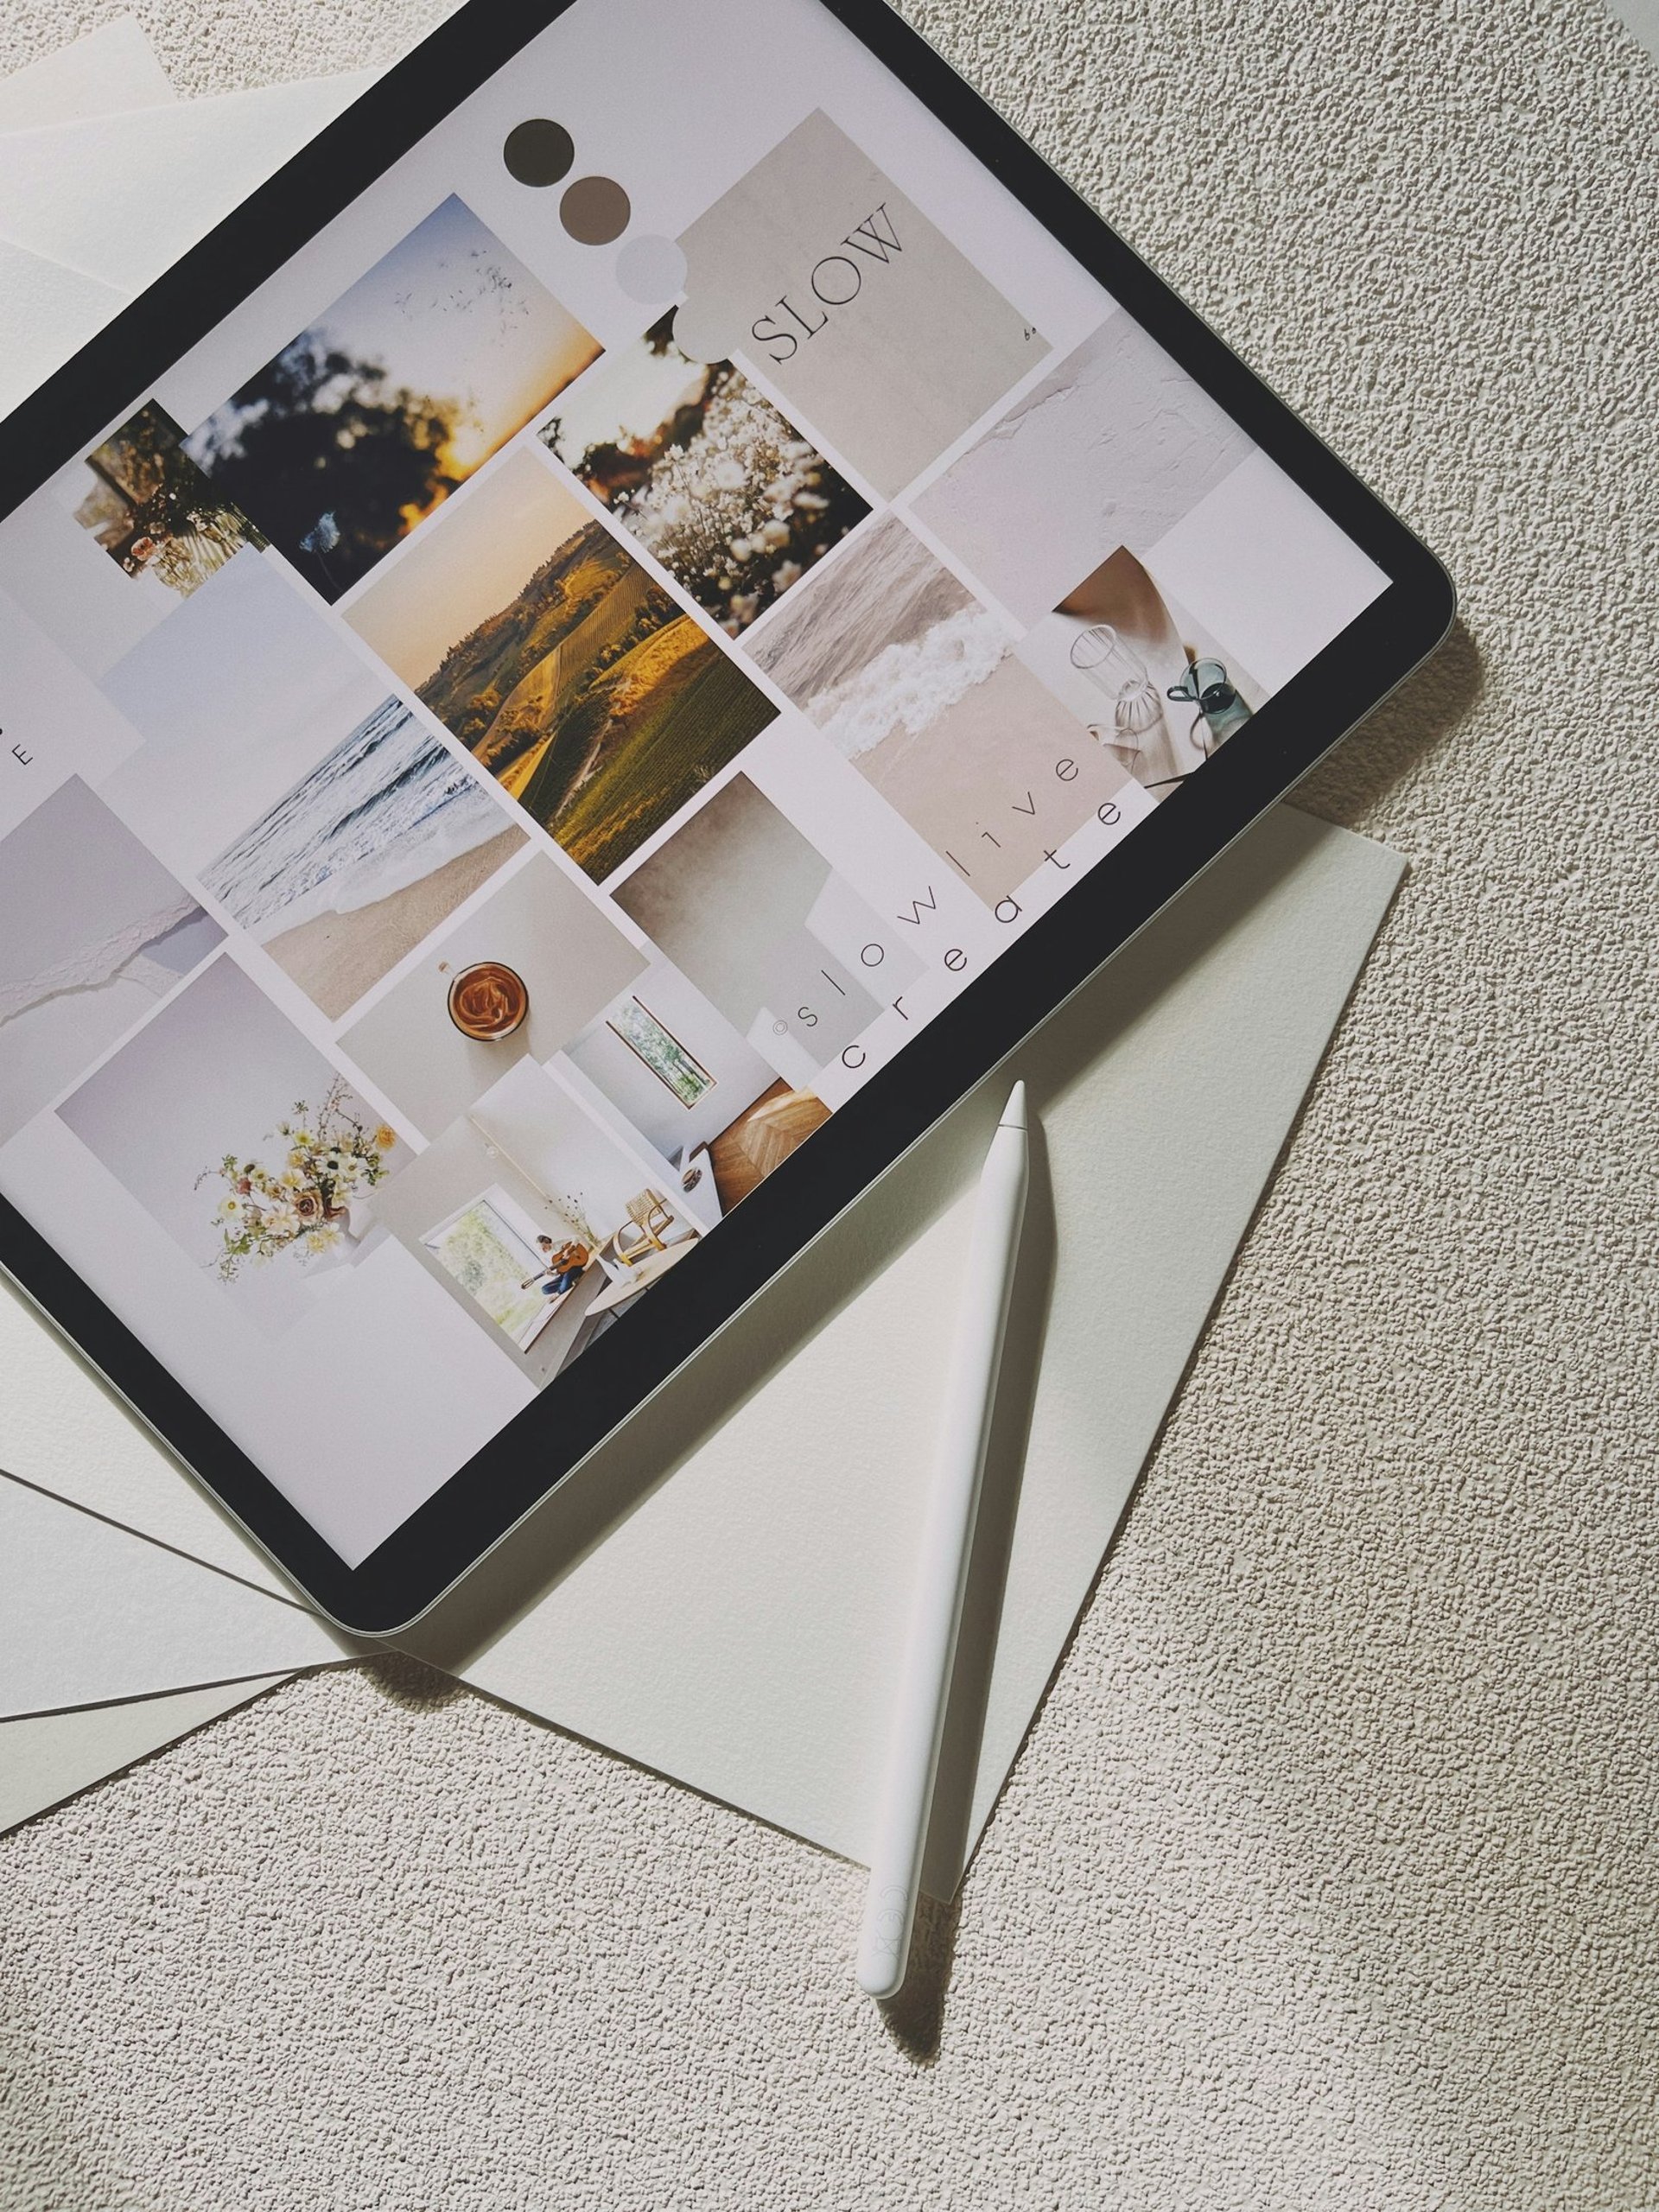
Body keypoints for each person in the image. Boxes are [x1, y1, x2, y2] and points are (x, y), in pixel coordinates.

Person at [522, 1234, 588, 1300]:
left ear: (547, 1241)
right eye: (541, 1249)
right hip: (564, 1273)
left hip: (577, 1264)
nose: (543, 1250)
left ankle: (559, 1291)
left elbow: (576, 1237)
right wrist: (551, 1274)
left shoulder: (558, 1244)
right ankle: (570, 1281)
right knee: (545, 1289)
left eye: (544, 1247)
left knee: (567, 1276)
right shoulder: (545, 1257)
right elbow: (558, 1272)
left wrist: (570, 1249)